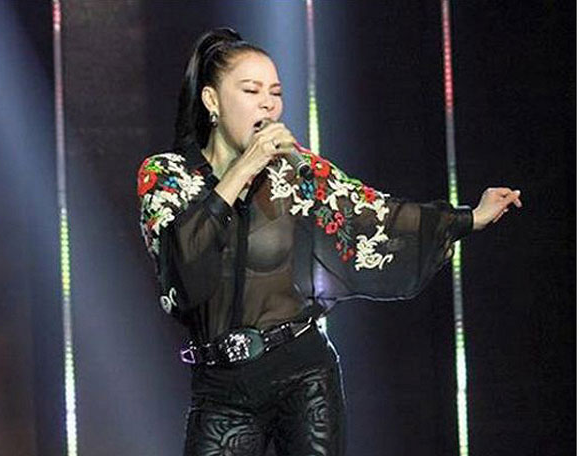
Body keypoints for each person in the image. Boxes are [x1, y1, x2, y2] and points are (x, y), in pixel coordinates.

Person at [137, 27, 522, 456]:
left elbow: (373, 212)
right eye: (251, 90)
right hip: (222, 391)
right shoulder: (168, 177)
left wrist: (469, 217)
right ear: (212, 100)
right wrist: (243, 169)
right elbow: (183, 263)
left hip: (303, 374)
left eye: (275, 93)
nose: (268, 103)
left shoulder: (295, 174)